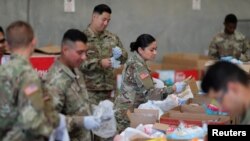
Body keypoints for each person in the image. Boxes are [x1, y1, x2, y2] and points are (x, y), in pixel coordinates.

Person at [0, 21, 68, 141]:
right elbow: (31, 122)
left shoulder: (3, 71)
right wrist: (51, 132)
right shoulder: (28, 76)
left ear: (8, 45)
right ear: (34, 42)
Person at [115, 34, 187, 133]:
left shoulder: (136, 61)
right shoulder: (138, 66)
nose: (155, 53)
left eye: (156, 49)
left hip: (127, 108)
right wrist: (173, 88)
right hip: (127, 113)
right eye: (151, 50)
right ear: (140, 50)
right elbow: (150, 93)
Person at [44, 29, 101, 141]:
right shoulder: (56, 81)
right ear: (65, 50)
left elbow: (79, 103)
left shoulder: (76, 70)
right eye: (80, 53)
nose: (84, 57)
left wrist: (95, 110)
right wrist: (82, 122)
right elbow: (50, 121)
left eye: (85, 52)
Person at [80, 4, 128, 105]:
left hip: (109, 91)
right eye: (104, 19)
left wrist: (119, 56)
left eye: (108, 20)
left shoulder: (112, 38)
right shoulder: (81, 38)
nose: (106, 23)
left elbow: (124, 56)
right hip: (89, 92)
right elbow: (77, 64)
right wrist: (99, 63)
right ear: (94, 17)